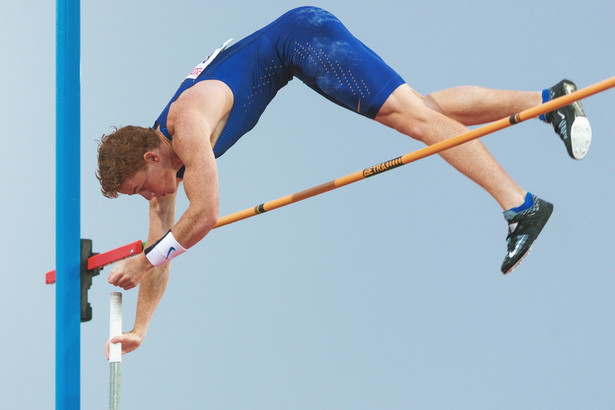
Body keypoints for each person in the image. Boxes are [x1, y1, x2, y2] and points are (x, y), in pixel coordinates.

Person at [98, 6, 591, 356]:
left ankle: (519, 205)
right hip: (294, 46)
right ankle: (550, 101)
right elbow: (160, 248)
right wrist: (141, 327)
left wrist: (146, 260)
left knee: (416, 121)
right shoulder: (166, 161)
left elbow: (204, 215)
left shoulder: (185, 128)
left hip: (303, 40)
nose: (149, 196)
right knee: (422, 109)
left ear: (151, 154)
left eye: (142, 186)